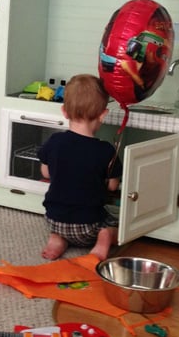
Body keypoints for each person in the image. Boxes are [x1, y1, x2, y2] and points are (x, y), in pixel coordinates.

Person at [38, 74, 122, 261]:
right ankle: (102, 241)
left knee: (62, 223)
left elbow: (46, 172)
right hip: (89, 226)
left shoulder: (55, 141)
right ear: (103, 114)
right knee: (115, 224)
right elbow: (112, 187)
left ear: (64, 111)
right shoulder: (106, 150)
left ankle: (57, 238)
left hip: (54, 219)